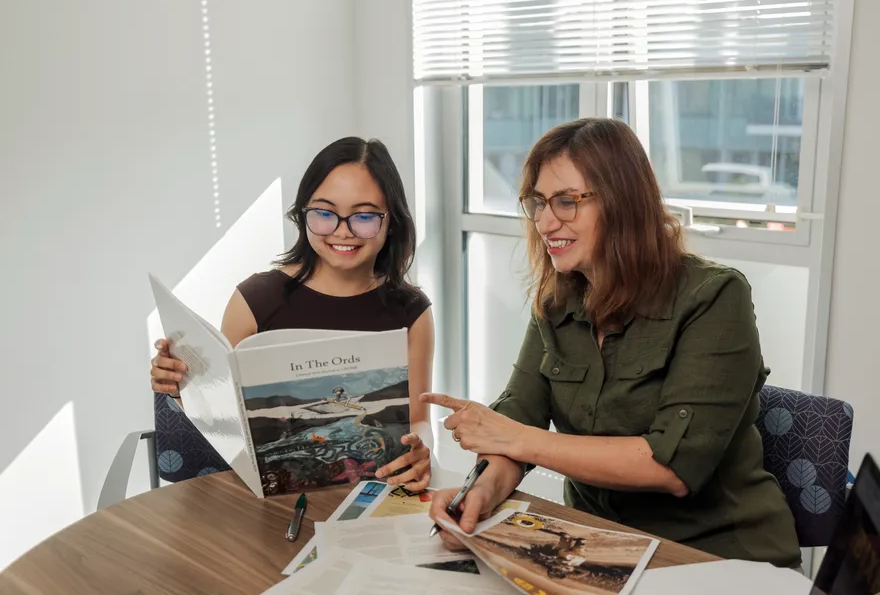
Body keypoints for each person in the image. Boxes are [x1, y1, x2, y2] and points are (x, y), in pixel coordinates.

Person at [423, 118, 802, 567]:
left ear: (624, 202)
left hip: (715, 556)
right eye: (538, 203)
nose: (545, 222)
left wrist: (517, 438)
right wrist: (481, 494)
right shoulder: (555, 302)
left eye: (567, 202)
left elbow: (671, 467)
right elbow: (518, 419)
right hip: (596, 547)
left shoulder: (716, 297)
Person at [150, 136, 434, 491]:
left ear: (391, 220)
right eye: (324, 213)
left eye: (363, 216)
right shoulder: (255, 299)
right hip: (262, 503)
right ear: (303, 215)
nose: (342, 231)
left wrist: (422, 448)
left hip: (371, 494)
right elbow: (221, 422)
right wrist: (179, 390)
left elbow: (419, 420)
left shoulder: (411, 311)